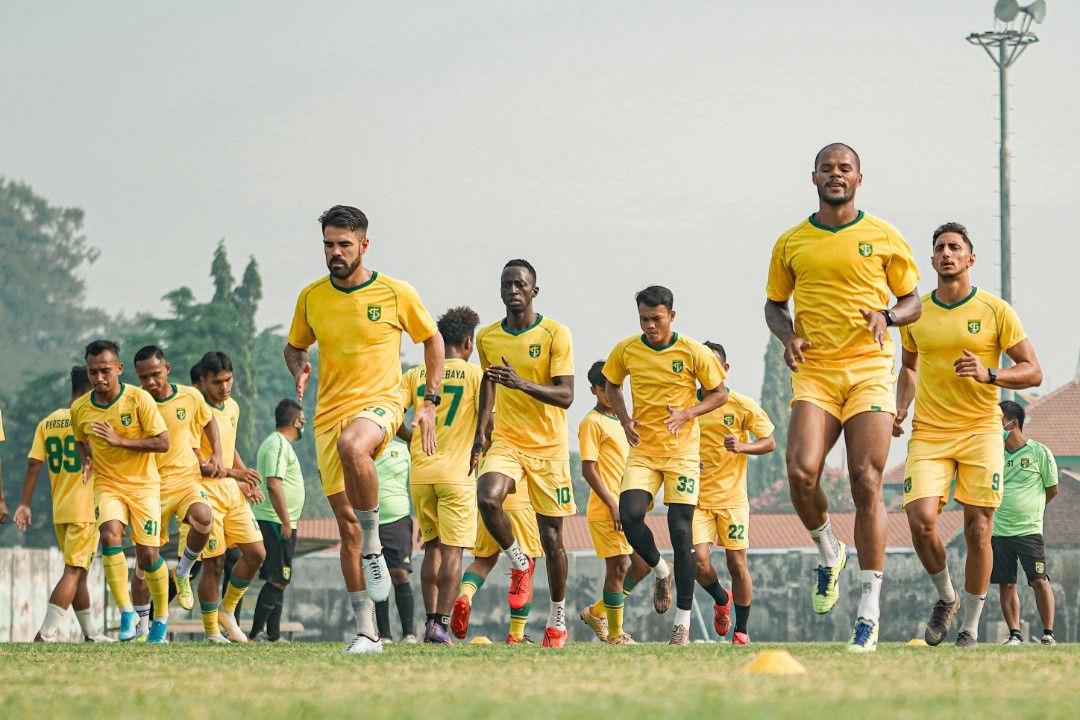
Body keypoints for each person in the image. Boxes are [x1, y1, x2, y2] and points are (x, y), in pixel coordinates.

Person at [764, 143, 922, 652]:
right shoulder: (791, 241)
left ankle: (869, 610)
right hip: (817, 374)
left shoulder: (883, 235)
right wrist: (788, 336)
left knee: (866, 480)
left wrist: (889, 317)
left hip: (870, 370)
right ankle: (828, 550)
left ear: (859, 178)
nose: (836, 175)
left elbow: (914, 300)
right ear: (813, 177)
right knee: (800, 471)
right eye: (828, 168)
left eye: (845, 168)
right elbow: (773, 305)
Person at [285, 204, 444, 655]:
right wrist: (300, 367)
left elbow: (431, 339)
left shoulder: (395, 292)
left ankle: (377, 542)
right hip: (327, 412)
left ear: (364, 245)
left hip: (382, 403)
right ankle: (367, 632)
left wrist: (428, 401)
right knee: (346, 529)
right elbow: (294, 346)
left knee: (354, 445)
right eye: (329, 245)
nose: (335, 253)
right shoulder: (312, 296)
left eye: (344, 245)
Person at [895, 222, 1042, 649]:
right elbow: (908, 366)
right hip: (929, 432)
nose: (946, 253)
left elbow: (1033, 369)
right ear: (932, 259)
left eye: (955, 247)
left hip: (980, 430)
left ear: (970, 259)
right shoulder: (916, 312)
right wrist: (900, 407)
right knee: (920, 520)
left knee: (979, 530)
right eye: (939, 247)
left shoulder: (996, 311)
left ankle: (970, 628)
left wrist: (989, 373)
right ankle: (947, 597)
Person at [604, 285, 728, 646]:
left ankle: (682, 624)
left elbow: (720, 393)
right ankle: (661, 569)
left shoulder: (693, 351)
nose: (650, 326)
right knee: (629, 516)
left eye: (657, 319)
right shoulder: (627, 349)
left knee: (680, 531)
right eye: (644, 319)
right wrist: (625, 419)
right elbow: (612, 384)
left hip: (683, 453)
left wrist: (688, 412)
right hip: (644, 450)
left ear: (672, 316)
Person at [473, 258, 576, 648]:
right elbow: (489, 382)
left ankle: (557, 618)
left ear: (534, 290)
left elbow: (566, 395)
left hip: (549, 449)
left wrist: (520, 382)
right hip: (508, 442)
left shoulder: (555, 333)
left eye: (520, 284)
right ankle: (519, 562)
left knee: (553, 540)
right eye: (506, 285)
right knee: (488, 498)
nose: (513, 290)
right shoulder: (487, 338)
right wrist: (483, 429)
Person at [70, 340, 171, 642]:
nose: (99, 379)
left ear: (119, 369)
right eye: (92, 372)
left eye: (105, 371)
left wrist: (120, 441)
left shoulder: (139, 400)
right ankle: (126, 611)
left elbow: (162, 442)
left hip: (144, 487)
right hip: (108, 484)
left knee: (149, 555)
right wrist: (86, 458)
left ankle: (161, 619)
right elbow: (78, 439)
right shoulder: (80, 409)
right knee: (110, 536)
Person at [399, 306, 483, 644]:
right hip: (456, 476)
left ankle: (429, 623)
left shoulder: (416, 375)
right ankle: (441, 624)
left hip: (421, 474)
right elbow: (489, 426)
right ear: (467, 342)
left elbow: (394, 419)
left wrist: (414, 441)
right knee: (454, 552)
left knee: (431, 547)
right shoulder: (476, 375)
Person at [129, 346, 223, 638]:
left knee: (204, 518)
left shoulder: (190, 396)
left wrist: (217, 454)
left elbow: (209, 423)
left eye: (155, 374)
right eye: (144, 377)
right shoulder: (135, 403)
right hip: (149, 488)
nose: (150, 382)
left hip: (185, 481)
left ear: (167, 368)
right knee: (144, 560)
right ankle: (143, 627)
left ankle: (182, 571)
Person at [14, 366, 111, 642]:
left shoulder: (48, 422)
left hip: (61, 510)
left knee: (79, 570)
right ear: (91, 387)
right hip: (85, 507)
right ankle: (46, 633)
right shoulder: (90, 420)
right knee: (74, 570)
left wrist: (25, 504)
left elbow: (34, 464)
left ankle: (91, 634)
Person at [693, 343, 775, 646]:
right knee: (698, 563)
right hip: (698, 500)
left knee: (737, 564)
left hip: (733, 500)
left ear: (724, 370)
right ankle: (720, 598)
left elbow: (769, 442)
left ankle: (741, 630)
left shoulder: (740, 404)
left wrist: (743, 447)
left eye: (713, 365)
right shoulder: (689, 407)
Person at [192, 350, 267, 643]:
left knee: (256, 553)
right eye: (217, 382)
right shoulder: (196, 410)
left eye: (228, 379)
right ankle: (212, 631)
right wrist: (235, 475)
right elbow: (198, 459)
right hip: (205, 494)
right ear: (204, 381)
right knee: (215, 563)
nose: (224, 387)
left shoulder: (233, 407)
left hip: (231, 494)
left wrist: (244, 475)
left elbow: (228, 446)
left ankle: (228, 610)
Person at [577, 361, 650, 645]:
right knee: (618, 566)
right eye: (604, 388)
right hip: (606, 509)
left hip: (628, 508)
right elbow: (588, 469)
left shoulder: (624, 421)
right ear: (594, 390)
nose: (610, 392)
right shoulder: (591, 423)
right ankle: (617, 634)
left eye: (615, 387)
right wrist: (611, 503)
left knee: (643, 565)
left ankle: (596, 612)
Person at [993, 401, 1058, 646]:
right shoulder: (994, 452)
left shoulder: (1039, 453)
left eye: (997, 421)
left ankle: (1048, 634)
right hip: (998, 530)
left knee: (1039, 581)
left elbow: (1052, 489)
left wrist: (1031, 510)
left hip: (1028, 530)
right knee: (1006, 583)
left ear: (1012, 423)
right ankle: (1014, 634)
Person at [452, 477, 545, 644]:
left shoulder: (480, 449)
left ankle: (466, 595)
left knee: (483, 561)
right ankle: (516, 635)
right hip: (520, 504)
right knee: (526, 568)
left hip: (487, 503)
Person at [250, 399, 307, 642]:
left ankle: (273, 635)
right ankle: (255, 634)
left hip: (282, 521)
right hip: (274, 520)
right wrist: (285, 521)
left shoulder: (281, 444)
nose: (304, 426)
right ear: (295, 422)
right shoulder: (278, 444)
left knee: (280, 578)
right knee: (278, 578)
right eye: (303, 421)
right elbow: (273, 484)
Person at [373, 438, 417, 643]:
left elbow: (416, 486)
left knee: (400, 573)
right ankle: (384, 635)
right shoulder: (363, 448)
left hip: (398, 520)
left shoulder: (403, 449)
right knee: (377, 576)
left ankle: (409, 633)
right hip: (370, 521)